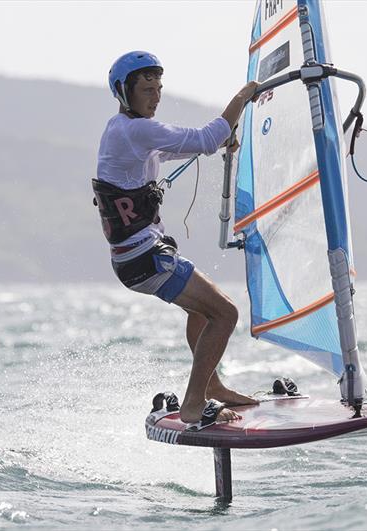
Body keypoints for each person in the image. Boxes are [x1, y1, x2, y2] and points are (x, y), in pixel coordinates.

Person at [93, 51, 259, 428]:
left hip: (135, 259)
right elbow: (203, 138)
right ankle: (194, 403)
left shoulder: (121, 130)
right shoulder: (135, 130)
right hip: (146, 257)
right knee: (227, 313)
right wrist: (242, 98)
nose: (155, 97)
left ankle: (211, 385)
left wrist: (218, 142)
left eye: (159, 88)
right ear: (124, 92)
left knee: (202, 310)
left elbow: (178, 148)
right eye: (146, 89)